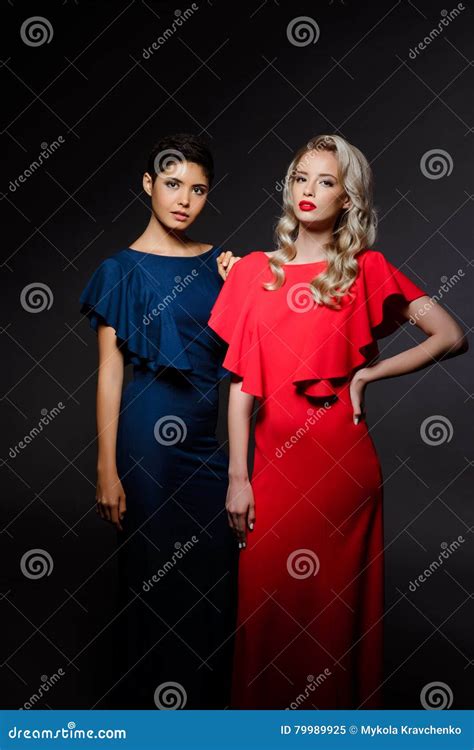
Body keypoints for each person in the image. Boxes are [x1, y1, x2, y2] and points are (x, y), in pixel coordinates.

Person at [208, 133, 468, 709]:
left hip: (340, 473)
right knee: (265, 611)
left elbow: (451, 334)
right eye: (301, 177)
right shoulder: (255, 271)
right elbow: (243, 386)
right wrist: (237, 475)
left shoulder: (366, 269)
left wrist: (366, 376)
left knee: (330, 621)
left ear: (346, 199)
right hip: (272, 473)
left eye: (326, 181)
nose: (309, 190)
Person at [79, 133, 240, 709]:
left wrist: (245, 283)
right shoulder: (118, 270)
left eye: (197, 189)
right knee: (152, 579)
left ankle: (203, 713)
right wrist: (105, 467)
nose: (184, 200)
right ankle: (150, 718)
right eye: (172, 185)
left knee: (213, 579)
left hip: (204, 443)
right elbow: (109, 374)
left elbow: (256, 353)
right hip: (145, 446)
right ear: (148, 185)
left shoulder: (221, 263)